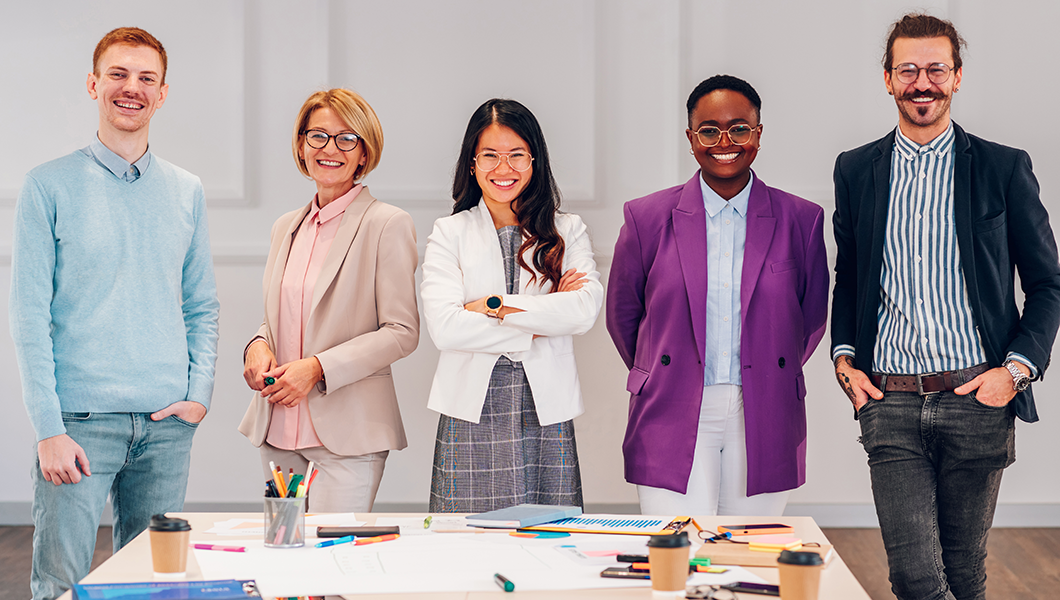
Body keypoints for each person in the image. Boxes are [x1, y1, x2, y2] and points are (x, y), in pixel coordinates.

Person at [831, 14, 1060, 600]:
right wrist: (845, 360)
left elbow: (1047, 284)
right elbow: (851, 273)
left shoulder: (1002, 167)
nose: (922, 82)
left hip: (976, 400)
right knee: (914, 577)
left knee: (964, 574)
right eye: (908, 69)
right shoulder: (857, 170)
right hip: (891, 400)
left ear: (957, 77)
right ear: (887, 79)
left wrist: (1013, 374)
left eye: (936, 68)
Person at [9, 27, 219, 600]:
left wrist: (198, 394)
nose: (132, 88)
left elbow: (202, 304)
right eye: (119, 75)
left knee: (155, 586)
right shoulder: (47, 186)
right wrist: (48, 428)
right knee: (60, 585)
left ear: (163, 93)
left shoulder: (186, 191)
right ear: (93, 84)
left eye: (146, 78)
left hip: (166, 426)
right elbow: (28, 316)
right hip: (77, 426)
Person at [607, 75, 829, 516]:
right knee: (679, 555)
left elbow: (811, 317)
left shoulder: (801, 219)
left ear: (758, 135)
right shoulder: (647, 217)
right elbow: (623, 315)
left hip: (765, 404)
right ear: (691, 138)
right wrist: (663, 369)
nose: (724, 141)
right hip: (672, 403)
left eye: (739, 128)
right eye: (709, 130)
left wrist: (766, 364)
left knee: (748, 561)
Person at [239, 89, 418, 512]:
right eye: (317, 136)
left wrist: (316, 368)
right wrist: (257, 344)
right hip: (277, 427)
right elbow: (281, 317)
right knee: (284, 556)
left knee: (331, 567)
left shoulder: (387, 223)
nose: (330, 149)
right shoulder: (286, 226)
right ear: (302, 146)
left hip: (348, 434)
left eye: (346, 138)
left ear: (364, 151)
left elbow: (401, 332)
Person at [421, 98, 603, 512]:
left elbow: (584, 311)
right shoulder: (450, 232)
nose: (504, 168)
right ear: (472, 163)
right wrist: (544, 314)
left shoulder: (567, 229)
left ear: (534, 160)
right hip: (471, 411)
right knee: (465, 541)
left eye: (517, 155)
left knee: (550, 537)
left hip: (545, 411)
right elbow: (446, 327)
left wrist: (490, 306)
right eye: (490, 156)